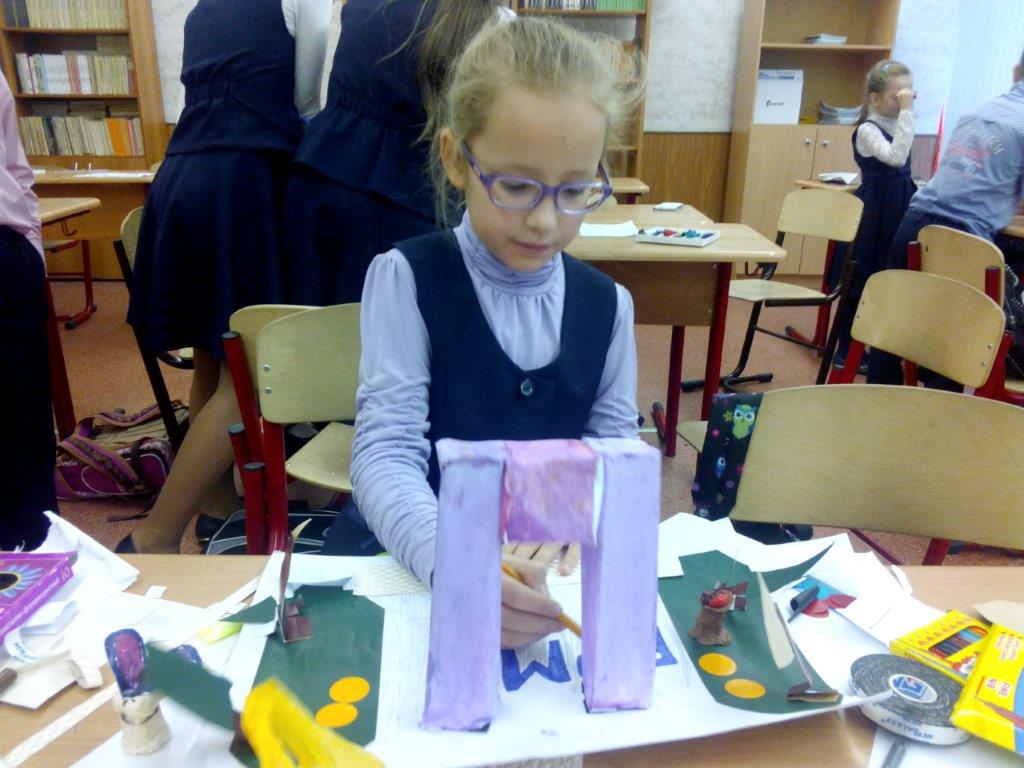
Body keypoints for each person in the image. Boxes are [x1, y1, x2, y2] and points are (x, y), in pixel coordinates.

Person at [331, 18, 643, 649]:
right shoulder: (407, 277)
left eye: (576, 190)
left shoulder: (608, 305)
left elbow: (614, 449)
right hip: (415, 561)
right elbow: (385, 456)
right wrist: (454, 562)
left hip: (541, 574)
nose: (546, 220)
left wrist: (576, 509)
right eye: (517, 186)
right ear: (455, 159)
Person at [120, 0, 331, 553]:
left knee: (213, 358)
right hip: (241, 182)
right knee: (251, 377)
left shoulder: (202, 7)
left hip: (181, 175)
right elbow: (307, 102)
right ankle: (153, 535)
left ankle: (214, 509)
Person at [281, 0, 512, 306]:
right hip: (418, 204)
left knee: (309, 327)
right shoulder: (498, 24)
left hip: (322, 179)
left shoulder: (361, 6)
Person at [867, 49, 1024, 385]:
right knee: (953, 335)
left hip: (915, 222)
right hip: (965, 240)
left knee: (893, 317)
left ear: (1015, 73)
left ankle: (880, 396)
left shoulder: (977, 112)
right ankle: (946, 402)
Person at [829, 60, 916, 372]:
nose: (906, 102)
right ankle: (846, 349)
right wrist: (907, 113)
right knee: (862, 277)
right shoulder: (868, 129)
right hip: (875, 211)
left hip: (899, 205)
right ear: (875, 99)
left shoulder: (898, 124)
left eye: (910, 95)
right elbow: (896, 157)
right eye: (898, 96)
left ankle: (882, 348)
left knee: (890, 277)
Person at [0, 74, 56, 550]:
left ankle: (42, 561)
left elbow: (16, 168)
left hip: (5, 253)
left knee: (25, 430)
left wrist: (31, 248)